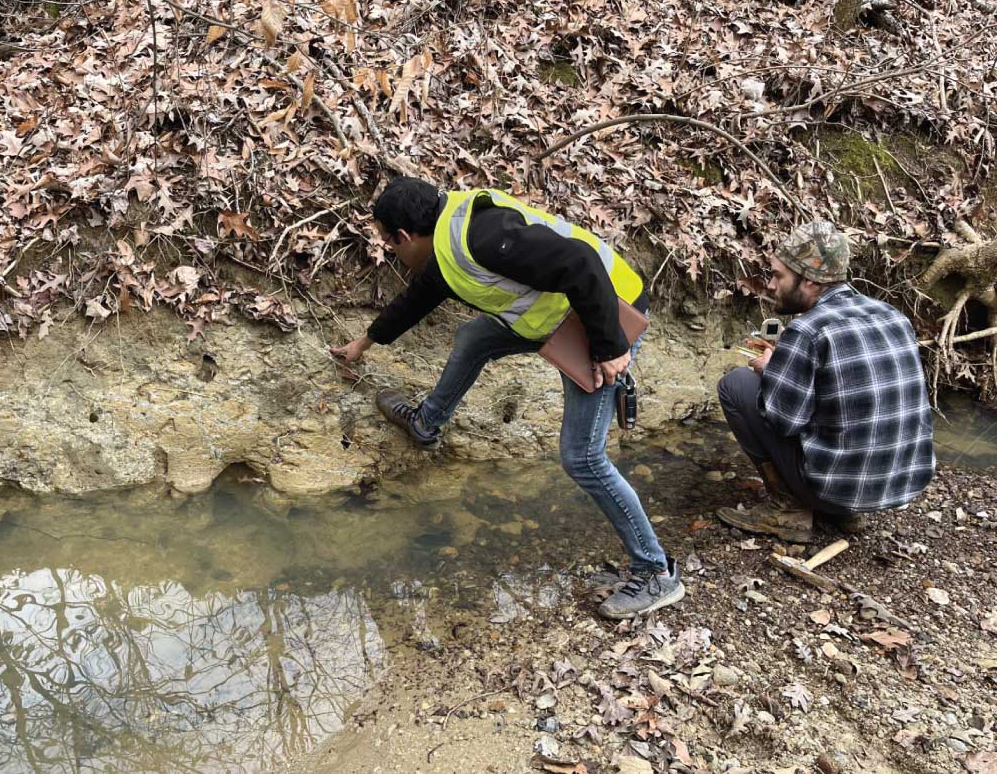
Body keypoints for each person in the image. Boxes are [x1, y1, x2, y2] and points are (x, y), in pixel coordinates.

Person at [331, 177, 684, 619]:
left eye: (390, 244)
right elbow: (420, 297)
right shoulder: (448, 238)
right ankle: (427, 422)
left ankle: (656, 572)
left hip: (607, 315)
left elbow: (580, 261)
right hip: (561, 316)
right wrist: (366, 342)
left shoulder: (483, 235)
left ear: (404, 237)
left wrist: (611, 346)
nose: (393, 253)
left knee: (583, 458)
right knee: (476, 335)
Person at [715, 221, 936, 542]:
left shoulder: (807, 330)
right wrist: (790, 366)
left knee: (736, 384)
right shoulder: (892, 314)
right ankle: (846, 515)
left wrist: (771, 370)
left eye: (778, 275)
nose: (771, 285)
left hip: (837, 489)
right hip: (904, 484)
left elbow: (784, 422)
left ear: (809, 281)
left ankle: (787, 509)